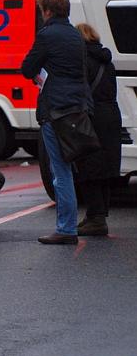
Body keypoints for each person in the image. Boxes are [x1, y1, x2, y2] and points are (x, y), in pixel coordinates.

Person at [21, 0, 89, 245]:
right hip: (75, 108)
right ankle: (68, 225)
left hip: (55, 110)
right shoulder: (75, 35)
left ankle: (66, 228)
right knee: (68, 168)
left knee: (59, 170)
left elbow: (27, 67)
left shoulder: (47, 35)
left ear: (47, 11)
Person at [74, 23, 121, 236]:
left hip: (92, 116)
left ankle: (95, 217)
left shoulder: (83, 61)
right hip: (111, 115)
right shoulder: (106, 61)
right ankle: (99, 215)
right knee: (105, 167)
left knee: (89, 166)